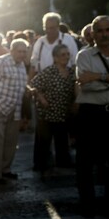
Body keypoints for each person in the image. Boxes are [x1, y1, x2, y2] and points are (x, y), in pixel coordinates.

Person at [75, 15, 109, 218]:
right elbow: (86, 84)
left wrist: (98, 76)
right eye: (100, 31)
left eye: (108, 30)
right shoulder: (84, 56)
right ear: (93, 34)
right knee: (85, 163)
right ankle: (87, 205)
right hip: (90, 113)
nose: (104, 34)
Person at [0, 38, 31, 184]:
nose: (22, 54)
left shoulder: (21, 65)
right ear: (11, 50)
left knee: (11, 142)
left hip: (15, 109)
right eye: (19, 51)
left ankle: (6, 170)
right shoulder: (1, 61)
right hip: (0, 107)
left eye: (24, 52)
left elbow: (22, 86)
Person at [29, 44, 76, 180]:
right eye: (62, 55)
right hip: (47, 112)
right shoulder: (49, 71)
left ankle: (62, 165)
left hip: (63, 112)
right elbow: (33, 85)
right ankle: (43, 167)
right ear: (55, 57)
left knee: (62, 140)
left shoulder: (72, 72)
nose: (66, 57)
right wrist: (41, 98)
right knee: (44, 142)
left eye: (67, 54)